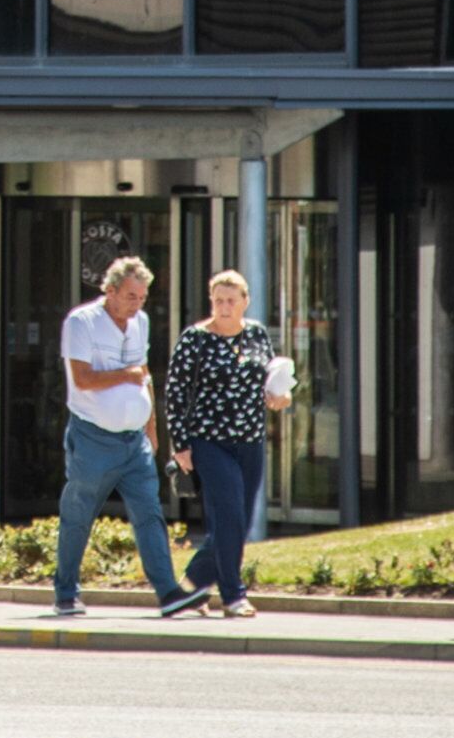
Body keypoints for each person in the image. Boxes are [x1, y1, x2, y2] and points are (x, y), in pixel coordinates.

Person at [49, 254, 198, 618]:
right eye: (132, 296)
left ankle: (168, 593)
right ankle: (66, 592)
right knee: (79, 515)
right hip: (92, 439)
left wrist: (151, 424)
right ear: (111, 291)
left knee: (149, 514)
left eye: (143, 297)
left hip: (135, 442)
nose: (138, 304)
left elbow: (144, 371)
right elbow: (82, 378)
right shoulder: (81, 322)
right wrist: (126, 375)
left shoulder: (140, 322)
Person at [163, 267, 290, 617]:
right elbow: (175, 393)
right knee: (230, 515)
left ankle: (189, 589)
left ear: (244, 302)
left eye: (231, 300)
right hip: (209, 441)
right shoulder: (195, 338)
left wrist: (280, 398)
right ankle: (233, 596)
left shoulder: (258, 335)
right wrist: (181, 444)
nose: (223, 306)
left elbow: (268, 384)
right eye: (218, 300)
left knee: (239, 521)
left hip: (249, 439)